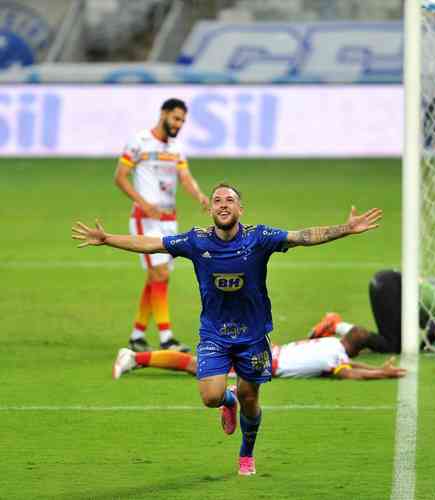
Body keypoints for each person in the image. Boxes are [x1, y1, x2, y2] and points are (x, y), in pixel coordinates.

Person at [72, 183, 383, 476]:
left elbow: (302, 236)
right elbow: (152, 243)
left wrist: (346, 229)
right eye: (218, 200)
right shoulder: (196, 241)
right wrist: (108, 238)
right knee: (211, 397)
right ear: (211, 210)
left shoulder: (259, 238)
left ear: (240, 209)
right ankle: (227, 402)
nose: (223, 205)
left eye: (229, 200)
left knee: (250, 397)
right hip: (214, 336)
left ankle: (246, 453)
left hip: (253, 337)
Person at [114, 98, 209, 353]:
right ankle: (167, 337)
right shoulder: (139, 141)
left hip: (169, 220)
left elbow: (185, 176)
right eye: (176, 119)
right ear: (164, 114)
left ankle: (137, 334)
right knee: (161, 274)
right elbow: (120, 177)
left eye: (183, 121)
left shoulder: (176, 148)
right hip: (145, 219)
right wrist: (143, 203)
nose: (179, 125)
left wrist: (199, 195)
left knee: (158, 277)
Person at [309, 270, 435, 353]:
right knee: (393, 346)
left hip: (388, 283)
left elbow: (432, 330)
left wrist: (424, 347)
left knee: (394, 341)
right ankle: (336, 325)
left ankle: (340, 328)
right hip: (390, 288)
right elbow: (434, 332)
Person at [111, 329, 407, 380]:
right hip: (262, 362)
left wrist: (375, 366)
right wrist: (381, 372)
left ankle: (137, 359)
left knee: (197, 364)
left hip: (266, 349)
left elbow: (347, 363)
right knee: (195, 366)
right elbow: (350, 372)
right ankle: (134, 358)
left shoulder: (331, 345)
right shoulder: (334, 359)